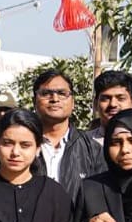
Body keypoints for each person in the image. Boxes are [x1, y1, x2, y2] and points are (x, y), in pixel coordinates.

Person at [31, 70, 105, 199]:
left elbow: (102, 196)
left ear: (73, 103)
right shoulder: (21, 145)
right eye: (46, 93)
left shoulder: (92, 149)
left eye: (62, 93)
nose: (55, 99)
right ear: (34, 101)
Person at [83, 70, 132, 145]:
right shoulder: (82, 144)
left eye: (121, 98)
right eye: (105, 99)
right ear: (95, 104)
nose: (113, 104)